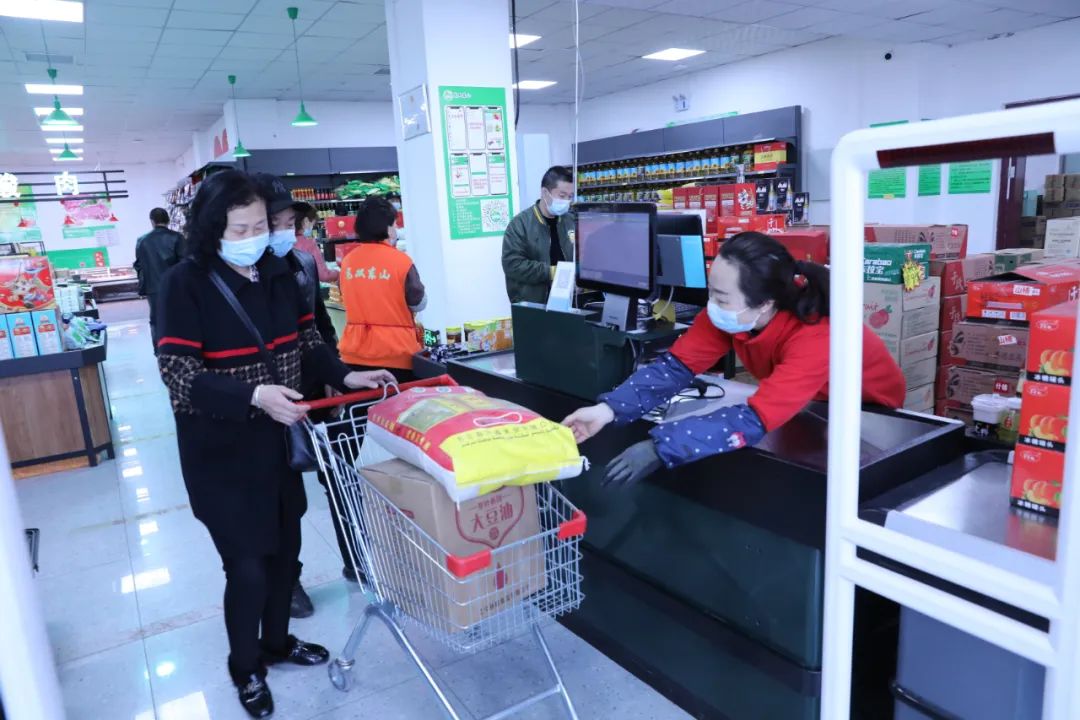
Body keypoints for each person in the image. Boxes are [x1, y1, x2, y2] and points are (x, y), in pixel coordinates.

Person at [155, 170, 394, 719]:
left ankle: (278, 642)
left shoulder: (279, 271)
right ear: (212, 228)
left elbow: (307, 339)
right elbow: (178, 373)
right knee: (247, 567)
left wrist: (343, 374)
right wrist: (254, 395)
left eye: (260, 225)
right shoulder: (185, 284)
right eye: (239, 228)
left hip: (280, 442)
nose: (254, 236)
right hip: (220, 449)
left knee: (286, 553)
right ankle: (245, 666)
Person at [563, 232, 906, 487]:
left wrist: (660, 446)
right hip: (810, 405)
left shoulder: (817, 335)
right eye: (712, 292)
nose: (712, 306)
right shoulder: (732, 314)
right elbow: (675, 368)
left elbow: (755, 417)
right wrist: (607, 410)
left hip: (871, 415)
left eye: (722, 298)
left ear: (765, 304)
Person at [251, 175, 351, 619]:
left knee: (338, 477)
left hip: (314, 389)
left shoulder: (302, 264)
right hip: (269, 401)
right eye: (275, 223)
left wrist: (336, 372)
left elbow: (318, 328)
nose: (285, 232)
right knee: (280, 499)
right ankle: (287, 582)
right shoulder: (238, 277)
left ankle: (357, 556)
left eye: (290, 222)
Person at [337, 195, 426, 383]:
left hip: (353, 356)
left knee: (364, 403)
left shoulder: (348, 262)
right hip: (396, 356)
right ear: (386, 228)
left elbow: (344, 296)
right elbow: (418, 302)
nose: (396, 229)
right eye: (394, 224)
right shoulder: (401, 261)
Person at [501, 165, 575, 304]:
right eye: (562, 195)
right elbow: (513, 265)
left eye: (570, 197)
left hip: (568, 302)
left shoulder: (571, 221)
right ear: (545, 193)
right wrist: (551, 272)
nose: (566, 201)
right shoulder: (520, 225)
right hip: (533, 305)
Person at [133, 207, 183, 350]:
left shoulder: (142, 241)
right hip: (175, 286)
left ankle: (159, 349)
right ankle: (180, 346)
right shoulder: (177, 238)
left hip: (153, 288)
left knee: (156, 319)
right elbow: (185, 263)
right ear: (168, 219)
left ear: (152, 221)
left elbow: (139, 265)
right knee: (179, 316)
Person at [291, 202, 339, 283]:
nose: (312, 228)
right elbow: (324, 275)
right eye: (312, 224)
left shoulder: (286, 243)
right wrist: (339, 273)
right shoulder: (309, 244)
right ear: (306, 221)